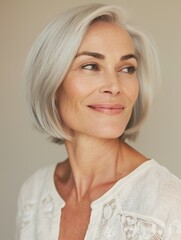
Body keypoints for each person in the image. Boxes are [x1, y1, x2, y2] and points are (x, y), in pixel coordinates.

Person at [16, 3, 181, 240]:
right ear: (51, 82)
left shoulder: (168, 203)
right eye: (91, 66)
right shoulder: (33, 194)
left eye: (126, 68)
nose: (115, 86)